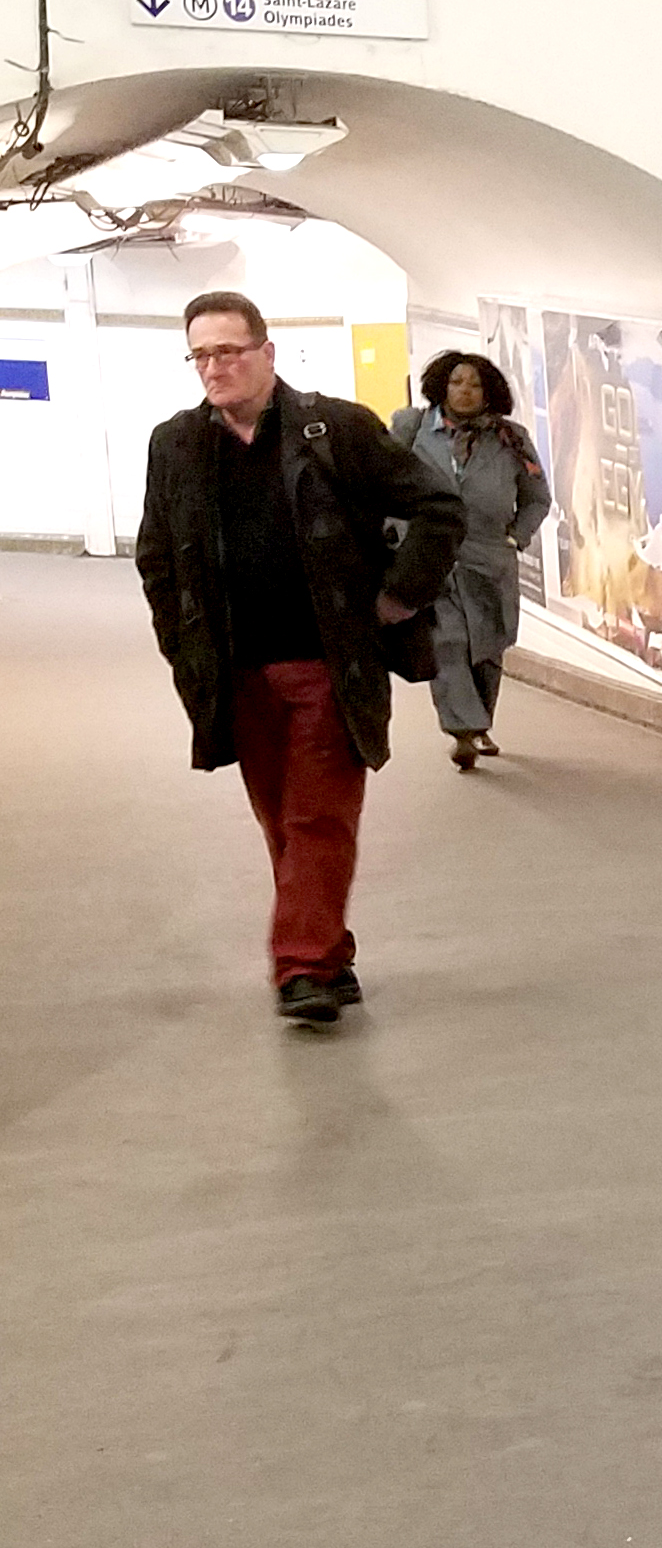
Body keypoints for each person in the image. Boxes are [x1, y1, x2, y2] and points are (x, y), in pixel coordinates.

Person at [133, 291, 465, 1027]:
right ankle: (328, 946)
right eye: (201, 355)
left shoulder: (334, 430)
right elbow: (157, 553)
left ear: (266, 353)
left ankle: (303, 968)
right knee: (281, 820)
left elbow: (439, 508)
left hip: (326, 664)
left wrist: (397, 598)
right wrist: (179, 642)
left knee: (318, 815)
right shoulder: (177, 444)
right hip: (235, 670)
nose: (215, 368)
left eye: (229, 351)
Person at [391, 352, 551, 770]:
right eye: (457, 382)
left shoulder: (511, 439)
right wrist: (393, 535)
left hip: (489, 557)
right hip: (431, 554)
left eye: (475, 385)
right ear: (442, 386)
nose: (464, 391)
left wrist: (517, 535)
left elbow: (537, 497)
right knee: (447, 642)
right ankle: (462, 728)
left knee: (488, 646)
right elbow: (385, 484)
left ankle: (478, 724)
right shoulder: (412, 429)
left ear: (489, 393)